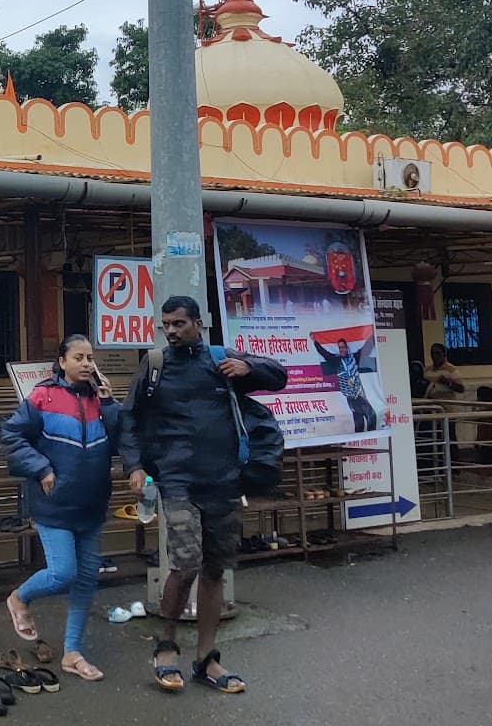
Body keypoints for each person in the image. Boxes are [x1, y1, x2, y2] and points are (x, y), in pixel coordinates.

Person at [118, 296, 287, 695]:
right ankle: (166, 645)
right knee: (186, 563)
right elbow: (129, 419)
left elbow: (279, 377)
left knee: (215, 569)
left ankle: (207, 658)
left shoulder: (221, 359)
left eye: (179, 324)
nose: (171, 331)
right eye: (166, 325)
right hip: (177, 482)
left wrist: (250, 368)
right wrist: (134, 466)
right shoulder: (155, 365)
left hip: (224, 481)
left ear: (198, 324)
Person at [0, 335, 121, 682]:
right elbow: (12, 436)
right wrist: (41, 468)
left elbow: (122, 438)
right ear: (62, 361)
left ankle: (73, 652)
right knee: (63, 573)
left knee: (86, 579)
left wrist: (110, 404)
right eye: (78, 358)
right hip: (54, 504)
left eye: (90, 358)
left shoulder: (101, 399)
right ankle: (19, 598)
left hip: (92, 503)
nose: (86, 364)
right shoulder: (43, 396)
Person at [312, 335, 378, 431]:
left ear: (347, 348)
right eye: (339, 348)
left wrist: (372, 336)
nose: (341, 349)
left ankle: (367, 436)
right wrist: (315, 341)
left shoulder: (354, 358)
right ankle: (366, 435)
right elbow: (325, 354)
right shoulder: (336, 361)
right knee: (369, 416)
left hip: (359, 393)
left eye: (343, 347)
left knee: (363, 420)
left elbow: (364, 349)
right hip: (351, 398)